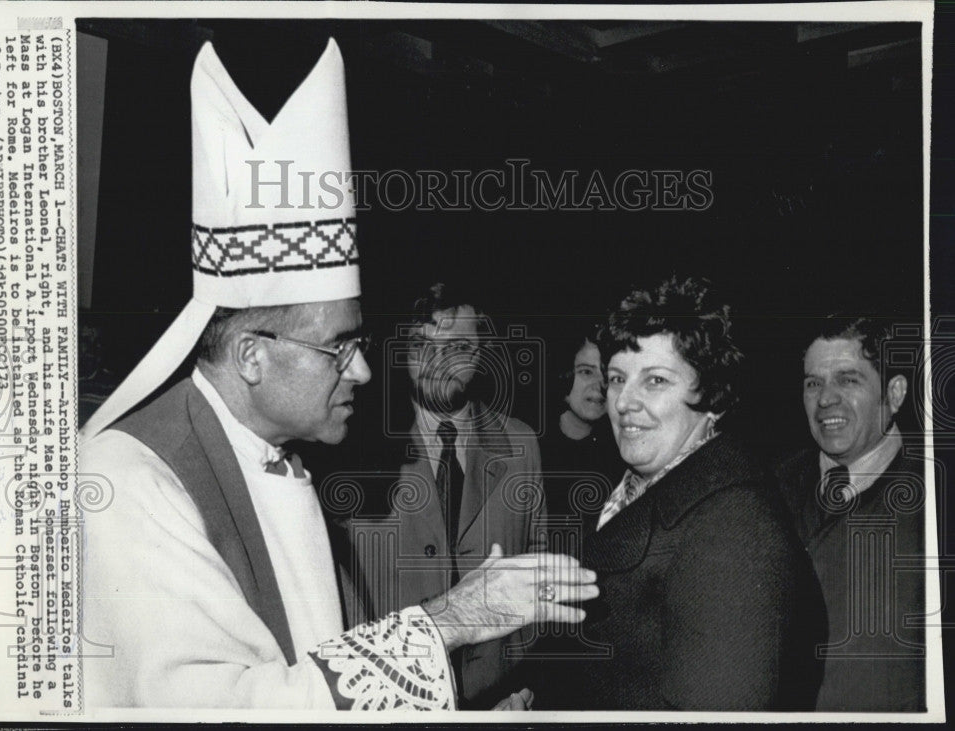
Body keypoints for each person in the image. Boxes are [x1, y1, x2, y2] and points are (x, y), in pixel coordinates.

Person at [78, 39, 596, 711]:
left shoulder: (278, 455)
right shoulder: (128, 481)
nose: (361, 367)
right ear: (251, 355)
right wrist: (453, 617)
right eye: (337, 346)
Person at [535, 275, 825, 711]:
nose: (623, 402)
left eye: (654, 381)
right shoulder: (634, 489)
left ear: (712, 395)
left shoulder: (734, 529)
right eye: (617, 378)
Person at [353, 282, 547, 709]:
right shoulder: (356, 448)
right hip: (391, 698)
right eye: (423, 344)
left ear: (481, 354)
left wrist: (525, 680)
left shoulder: (520, 442)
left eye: (458, 345)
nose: (439, 361)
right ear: (401, 349)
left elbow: (539, 568)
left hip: (500, 698)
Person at [775, 316, 926, 711]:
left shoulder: (935, 502)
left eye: (848, 379)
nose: (826, 399)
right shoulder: (770, 490)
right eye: (813, 383)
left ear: (894, 394)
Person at [539, 330, 624, 520]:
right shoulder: (532, 448)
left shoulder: (621, 454)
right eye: (586, 372)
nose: (599, 385)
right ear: (563, 373)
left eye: (607, 374)